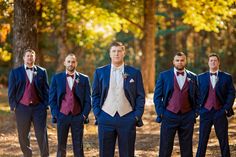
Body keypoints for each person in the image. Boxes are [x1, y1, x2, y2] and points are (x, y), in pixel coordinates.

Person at [92, 41, 145, 157]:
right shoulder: (100, 72)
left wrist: (136, 116)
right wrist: (98, 114)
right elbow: (95, 95)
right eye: (114, 51)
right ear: (110, 54)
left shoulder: (134, 73)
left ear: (124, 53)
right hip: (105, 117)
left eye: (119, 51)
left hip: (127, 117)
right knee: (105, 153)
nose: (117, 54)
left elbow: (140, 96)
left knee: (127, 153)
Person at [153, 52, 198, 157]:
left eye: (182, 60)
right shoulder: (164, 76)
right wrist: (161, 113)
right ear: (173, 62)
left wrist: (195, 113)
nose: (180, 62)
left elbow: (197, 96)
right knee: (165, 146)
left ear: (185, 61)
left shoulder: (193, 77)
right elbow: (157, 96)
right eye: (177, 60)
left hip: (187, 116)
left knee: (187, 147)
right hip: (169, 115)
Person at [8, 48, 49, 157]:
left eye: (32, 55)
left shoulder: (42, 71)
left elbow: (46, 90)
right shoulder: (15, 72)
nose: (30, 57)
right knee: (23, 135)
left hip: (38, 108)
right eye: (28, 56)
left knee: (41, 134)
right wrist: (14, 106)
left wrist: (45, 104)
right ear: (24, 58)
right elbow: (11, 91)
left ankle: (45, 155)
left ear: (35, 57)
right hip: (22, 108)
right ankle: (27, 154)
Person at [49, 53, 91, 157]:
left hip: (78, 116)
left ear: (76, 63)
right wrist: (56, 114)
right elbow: (52, 99)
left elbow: (88, 100)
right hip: (62, 115)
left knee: (78, 145)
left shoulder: (84, 79)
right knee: (61, 146)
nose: (70, 64)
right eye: (68, 61)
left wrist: (84, 115)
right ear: (64, 63)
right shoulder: (57, 78)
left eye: (73, 62)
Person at [196, 53, 235, 157]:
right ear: (208, 63)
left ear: (219, 62)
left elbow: (231, 94)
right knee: (202, 141)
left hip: (220, 112)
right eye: (211, 60)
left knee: (223, 141)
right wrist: (199, 110)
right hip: (205, 112)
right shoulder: (200, 78)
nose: (213, 62)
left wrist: (226, 109)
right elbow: (196, 94)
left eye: (215, 60)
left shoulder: (227, 77)